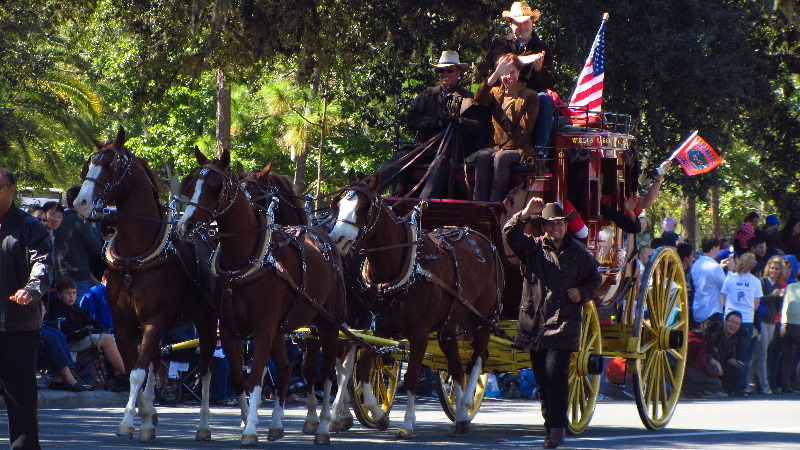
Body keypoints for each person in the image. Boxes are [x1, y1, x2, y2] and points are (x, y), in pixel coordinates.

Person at [503, 199, 601, 449]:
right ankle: (551, 424)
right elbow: (509, 234)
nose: (556, 228)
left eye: (559, 223)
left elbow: (595, 279)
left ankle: (556, 428)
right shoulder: (532, 248)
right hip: (534, 322)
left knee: (555, 373)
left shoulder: (579, 254)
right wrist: (524, 213)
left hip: (565, 323)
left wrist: (582, 292)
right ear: (544, 226)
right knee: (542, 379)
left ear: (565, 226)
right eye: (551, 224)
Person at [380, 50, 483, 198]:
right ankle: (370, 186)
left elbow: (477, 127)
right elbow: (411, 119)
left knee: (442, 161)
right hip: (425, 147)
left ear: (458, 72)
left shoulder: (468, 98)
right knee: (401, 155)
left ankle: (422, 203)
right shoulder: (427, 95)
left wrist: (460, 121)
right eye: (441, 70)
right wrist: (434, 122)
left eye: (450, 70)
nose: (445, 74)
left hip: (453, 150)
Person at [0, 166, 52, 449]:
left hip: (17, 323)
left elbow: (42, 262)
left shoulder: (30, 226)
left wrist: (32, 289)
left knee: (20, 396)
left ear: (10, 190)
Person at [486, 1, 555, 150]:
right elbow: (498, 62)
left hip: (530, 98)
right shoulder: (500, 43)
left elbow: (549, 82)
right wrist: (524, 60)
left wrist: (538, 70)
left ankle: (540, 150)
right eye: (518, 23)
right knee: (478, 99)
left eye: (526, 23)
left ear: (533, 23)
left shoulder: (543, 49)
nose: (522, 27)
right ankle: (478, 146)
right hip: (502, 93)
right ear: (511, 24)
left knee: (544, 99)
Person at [471, 53, 539, 201]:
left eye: (512, 71)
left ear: (519, 72)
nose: (508, 76)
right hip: (495, 146)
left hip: (521, 149)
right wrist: (496, 74)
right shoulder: (496, 93)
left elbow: (524, 130)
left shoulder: (530, 96)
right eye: (504, 72)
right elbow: (478, 100)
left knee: (501, 158)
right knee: (482, 156)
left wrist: (505, 149)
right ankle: (479, 205)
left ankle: (497, 205)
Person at [47, 277, 127, 389]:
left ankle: (116, 377)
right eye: (68, 293)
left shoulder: (77, 309)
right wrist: (87, 329)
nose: (72, 296)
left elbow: (95, 323)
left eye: (74, 293)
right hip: (69, 344)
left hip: (82, 338)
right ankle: (126, 375)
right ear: (59, 295)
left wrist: (89, 328)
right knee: (107, 339)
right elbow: (70, 332)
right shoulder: (57, 310)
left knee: (113, 338)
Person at [721, 252, 763, 395]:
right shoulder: (755, 281)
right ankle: (739, 386)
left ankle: (724, 385)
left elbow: (723, 299)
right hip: (745, 320)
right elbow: (756, 305)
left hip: (729, 318)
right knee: (742, 356)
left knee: (725, 352)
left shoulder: (730, 278)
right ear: (752, 266)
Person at [52, 186, 104, 299]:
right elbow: (96, 249)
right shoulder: (81, 221)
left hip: (59, 276)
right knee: (80, 313)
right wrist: (95, 227)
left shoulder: (56, 220)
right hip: (79, 277)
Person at [748, 255, 786, 394]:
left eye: (777, 269)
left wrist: (780, 297)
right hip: (761, 321)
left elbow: (777, 307)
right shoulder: (762, 282)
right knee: (761, 354)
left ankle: (750, 383)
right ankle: (764, 385)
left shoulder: (779, 285)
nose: (774, 271)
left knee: (760, 354)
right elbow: (759, 300)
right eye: (772, 268)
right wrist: (773, 295)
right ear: (768, 268)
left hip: (771, 322)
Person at [39, 303, 91, 392]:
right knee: (51, 337)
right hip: (26, 326)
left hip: (39, 323)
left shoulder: (77, 309)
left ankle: (59, 378)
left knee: (60, 334)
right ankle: (69, 378)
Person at [691, 236, 727, 328]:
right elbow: (725, 287)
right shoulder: (714, 267)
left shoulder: (696, 264)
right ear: (714, 247)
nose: (719, 251)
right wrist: (730, 270)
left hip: (698, 311)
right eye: (718, 248)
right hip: (712, 312)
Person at [705, 311, 745, 395]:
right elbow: (704, 352)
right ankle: (713, 389)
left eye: (737, 323)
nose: (733, 325)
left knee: (737, 370)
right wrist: (716, 363)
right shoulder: (714, 331)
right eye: (732, 321)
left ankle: (728, 390)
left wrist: (736, 363)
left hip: (721, 363)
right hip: (707, 362)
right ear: (725, 321)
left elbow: (730, 358)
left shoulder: (733, 338)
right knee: (715, 368)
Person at [779, 264, 800, 394]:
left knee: (787, 357)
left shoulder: (790, 287)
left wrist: (783, 323)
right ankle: (797, 384)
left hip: (787, 325)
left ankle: (784, 385)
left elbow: (785, 304)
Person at [676, 243, 696, 325]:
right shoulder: (676, 274)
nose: (693, 258)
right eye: (691, 256)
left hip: (690, 310)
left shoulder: (689, 272)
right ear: (686, 258)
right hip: (680, 311)